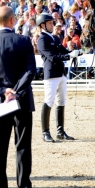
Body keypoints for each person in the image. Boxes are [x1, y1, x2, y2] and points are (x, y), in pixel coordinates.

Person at [0, 6, 43, 188]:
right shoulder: (23, 41)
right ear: (13, 20)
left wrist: (2, 91)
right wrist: (16, 91)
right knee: (22, 145)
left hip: (0, 102)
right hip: (21, 100)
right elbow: (30, 71)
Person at [36, 13, 79, 142]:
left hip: (61, 73)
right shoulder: (42, 40)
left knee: (61, 102)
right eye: (49, 23)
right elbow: (52, 57)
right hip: (51, 74)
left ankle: (60, 131)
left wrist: (76, 52)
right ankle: (45, 132)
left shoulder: (54, 38)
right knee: (48, 101)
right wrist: (68, 56)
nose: (52, 25)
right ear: (42, 25)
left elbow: (64, 51)